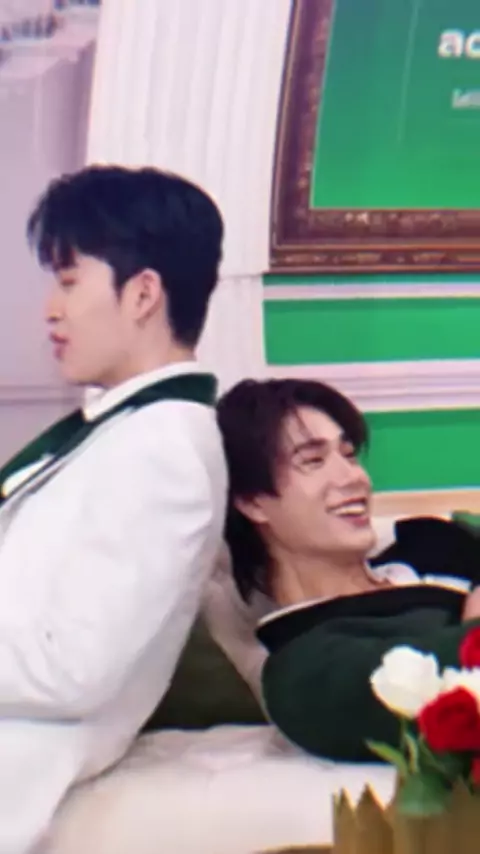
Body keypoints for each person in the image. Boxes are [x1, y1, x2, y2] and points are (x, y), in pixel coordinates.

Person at [0, 165, 227, 853]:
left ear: (143, 294)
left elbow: (75, 667)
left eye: (69, 282)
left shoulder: (164, 449)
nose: (51, 309)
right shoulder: (127, 430)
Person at [216, 378, 480, 762]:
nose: (355, 477)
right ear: (253, 502)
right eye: (313, 461)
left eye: (350, 455)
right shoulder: (304, 672)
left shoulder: (429, 543)